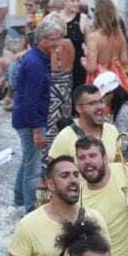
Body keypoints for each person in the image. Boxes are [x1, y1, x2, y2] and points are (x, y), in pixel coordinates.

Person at [11, 20, 60, 213]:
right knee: (33, 169)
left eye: (58, 38)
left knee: (28, 160)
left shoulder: (38, 58)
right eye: (53, 39)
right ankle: (31, 211)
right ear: (41, 39)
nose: (57, 43)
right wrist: (37, 131)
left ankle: (18, 199)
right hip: (30, 121)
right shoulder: (35, 65)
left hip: (26, 119)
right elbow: (30, 101)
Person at [0, 0, 42, 95]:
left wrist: (28, 26)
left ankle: (6, 93)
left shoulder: (39, 17)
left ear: (38, 5)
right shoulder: (30, 16)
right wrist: (16, 54)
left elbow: (35, 42)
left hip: (35, 51)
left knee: (8, 63)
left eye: (30, 5)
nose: (28, 7)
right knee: (0, 60)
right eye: (26, 5)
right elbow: (24, 39)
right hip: (28, 50)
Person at [48, 84, 120, 163]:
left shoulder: (112, 130)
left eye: (101, 101)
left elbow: (119, 168)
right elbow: (53, 173)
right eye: (92, 103)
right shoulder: (64, 137)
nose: (99, 107)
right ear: (79, 108)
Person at [42, 12, 75, 177]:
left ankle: (47, 171)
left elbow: (53, 69)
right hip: (66, 89)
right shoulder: (69, 43)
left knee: (50, 131)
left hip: (54, 88)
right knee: (64, 129)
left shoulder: (56, 46)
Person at [82, 0, 128, 97]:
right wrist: (114, 63)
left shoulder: (93, 37)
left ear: (97, 15)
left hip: (99, 81)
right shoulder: (119, 36)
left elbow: (91, 68)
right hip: (116, 80)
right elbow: (124, 60)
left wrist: (84, 62)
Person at [59, 0, 89, 91]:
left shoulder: (83, 18)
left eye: (78, 0)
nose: (76, 3)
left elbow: (88, 45)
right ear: (64, 0)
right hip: (59, 65)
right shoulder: (56, 17)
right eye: (72, 1)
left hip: (78, 65)